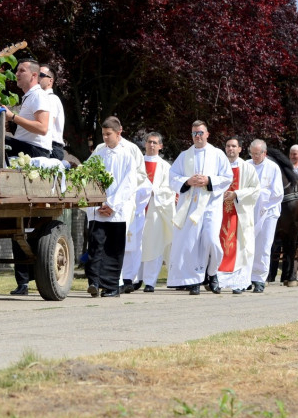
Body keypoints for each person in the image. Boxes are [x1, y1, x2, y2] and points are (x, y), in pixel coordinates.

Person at [167, 121, 233, 295]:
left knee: (212, 241)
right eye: (194, 133)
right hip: (190, 206)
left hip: (210, 206)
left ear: (207, 134)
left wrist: (208, 180)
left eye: (200, 133)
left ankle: (212, 273)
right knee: (192, 243)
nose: (197, 136)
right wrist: (187, 181)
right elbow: (172, 177)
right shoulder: (184, 156)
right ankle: (194, 280)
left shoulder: (217, 154)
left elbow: (227, 177)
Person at [84, 116, 137, 297]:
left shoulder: (127, 156)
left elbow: (129, 183)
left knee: (112, 249)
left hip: (116, 211)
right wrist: (98, 202)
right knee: (96, 246)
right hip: (99, 209)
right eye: (103, 134)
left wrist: (112, 204)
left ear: (118, 132)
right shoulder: (98, 154)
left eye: (108, 134)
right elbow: (88, 174)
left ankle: (112, 286)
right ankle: (94, 282)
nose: (105, 138)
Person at [216, 136, 260, 294]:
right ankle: (219, 281)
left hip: (239, 214)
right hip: (219, 213)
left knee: (242, 247)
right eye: (228, 146)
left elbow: (255, 189)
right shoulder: (218, 167)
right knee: (218, 245)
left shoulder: (247, 168)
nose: (230, 149)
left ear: (240, 149)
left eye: (234, 146)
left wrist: (237, 194)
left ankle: (239, 284)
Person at [139, 132, 176, 292]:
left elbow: (170, 190)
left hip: (156, 210)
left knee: (154, 245)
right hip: (138, 210)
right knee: (136, 244)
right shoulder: (138, 163)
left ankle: (149, 281)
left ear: (160, 146)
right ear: (145, 144)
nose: (151, 145)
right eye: (149, 142)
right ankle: (133, 279)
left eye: (155, 142)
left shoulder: (165, 167)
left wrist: (153, 191)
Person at [246, 139, 284, 293]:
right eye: (252, 154)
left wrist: (259, 194)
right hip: (248, 211)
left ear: (264, 153)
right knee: (247, 245)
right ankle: (246, 277)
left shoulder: (273, 168)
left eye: (257, 154)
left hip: (268, 211)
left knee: (263, 246)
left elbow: (278, 193)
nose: (255, 157)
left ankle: (259, 278)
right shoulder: (246, 165)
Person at [3, 59, 52, 159]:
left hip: (36, 151)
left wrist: (12, 117)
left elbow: (42, 128)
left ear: (34, 75)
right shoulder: (30, 96)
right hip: (28, 148)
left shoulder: (38, 95)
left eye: (22, 71)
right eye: (17, 70)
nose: (17, 74)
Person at [38, 64, 66, 161]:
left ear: (50, 80)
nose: (37, 77)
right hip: (46, 146)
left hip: (51, 148)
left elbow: (47, 127)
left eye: (41, 75)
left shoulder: (51, 99)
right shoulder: (41, 99)